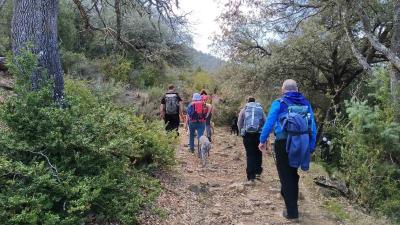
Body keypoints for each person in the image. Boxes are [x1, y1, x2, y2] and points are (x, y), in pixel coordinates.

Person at [258, 79, 317, 220]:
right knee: (292, 173)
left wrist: (262, 140)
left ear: (283, 90)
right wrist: (311, 145)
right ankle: (290, 201)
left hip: (283, 142)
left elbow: (270, 122)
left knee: (286, 175)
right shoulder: (306, 103)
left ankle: (292, 213)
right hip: (301, 142)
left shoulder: (279, 102)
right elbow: (312, 126)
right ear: (297, 89)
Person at [237, 97, 266, 182]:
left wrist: (241, 132)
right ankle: (258, 172)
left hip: (247, 135)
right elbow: (265, 121)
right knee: (258, 152)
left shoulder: (244, 109)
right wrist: (264, 133)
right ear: (255, 102)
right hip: (258, 134)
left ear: (247, 102)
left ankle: (250, 176)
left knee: (250, 154)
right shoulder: (260, 109)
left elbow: (239, 122)